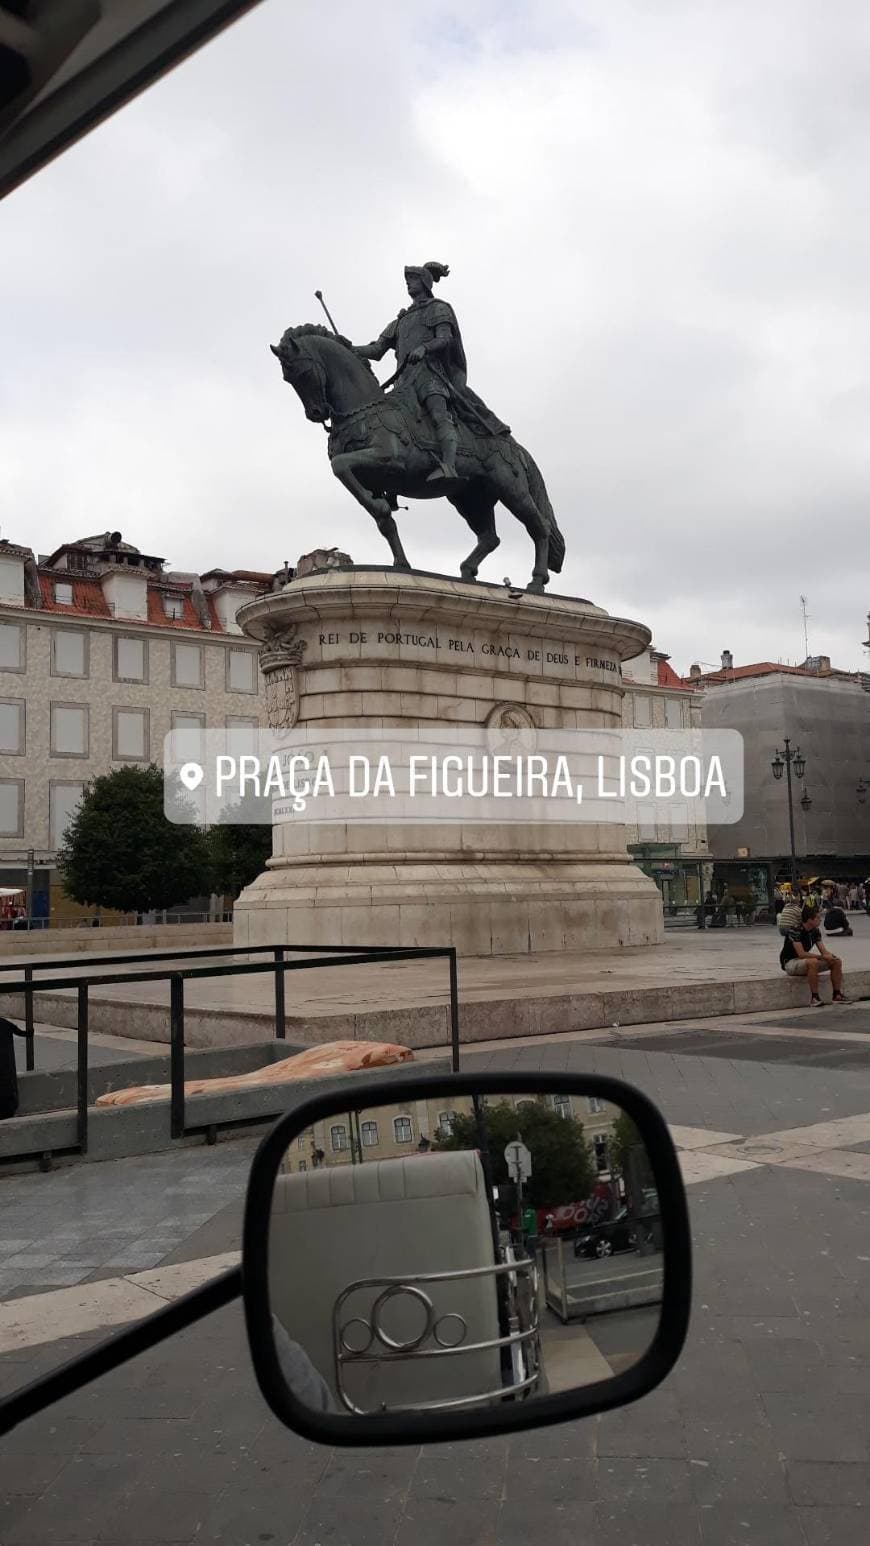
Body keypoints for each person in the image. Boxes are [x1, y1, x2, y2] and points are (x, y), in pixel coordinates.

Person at [354, 260, 509, 483]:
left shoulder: (438, 308)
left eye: (413, 280)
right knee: (387, 424)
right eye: (406, 281)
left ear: (425, 282)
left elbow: (446, 339)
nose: (408, 285)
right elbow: (377, 350)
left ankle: (448, 465)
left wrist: (424, 347)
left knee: (439, 414)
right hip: (404, 384)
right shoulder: (400, 320)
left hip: (431, 376)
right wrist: (348, 348)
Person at [779, 904, 847, 1005]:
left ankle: (837, 994)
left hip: (804, 961)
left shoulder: (815, 931)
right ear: (809, 920)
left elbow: (823, 951)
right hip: (791, 962)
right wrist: (821, 957)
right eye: (817, 918)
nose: (820, 920)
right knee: (813, 962)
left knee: (836, 962)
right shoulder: (795, 930)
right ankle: (814, 997)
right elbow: (801, 954)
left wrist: (830, 956)